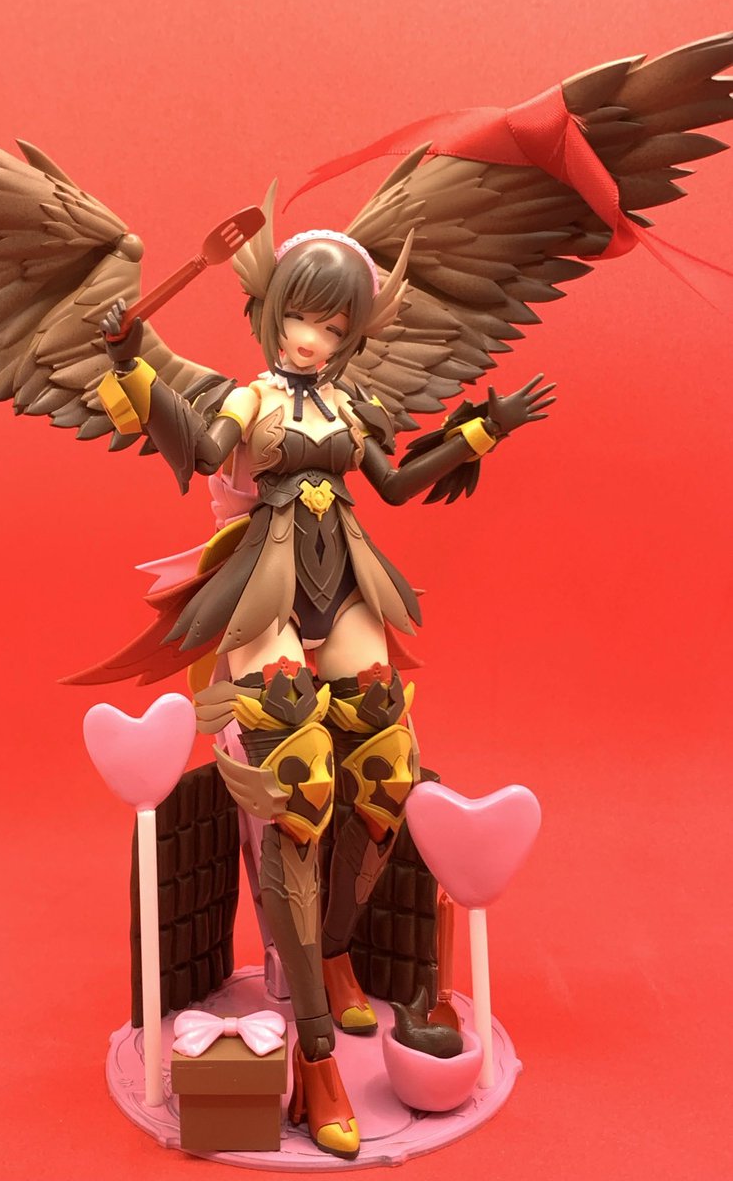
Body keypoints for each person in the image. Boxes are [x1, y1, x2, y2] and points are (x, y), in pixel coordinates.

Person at [89, 217, 554, 1159]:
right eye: (301, 318)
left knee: (387, 774)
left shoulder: (350, 405)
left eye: (334, 328)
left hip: (344, 580)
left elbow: (397, 483)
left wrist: (483, 430)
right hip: (266, 586)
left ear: (351, 336)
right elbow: (197, 446)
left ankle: (334, 949)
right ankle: (315, 1054)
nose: (312, 340)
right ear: (272, 312)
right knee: (299, 793)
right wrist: (133, 363)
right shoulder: (252, 400)